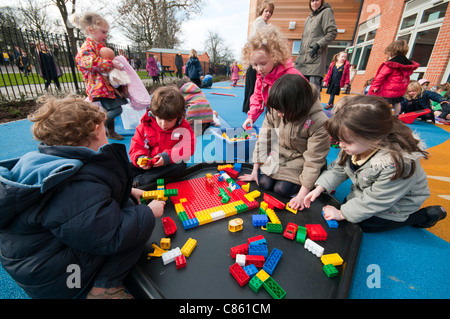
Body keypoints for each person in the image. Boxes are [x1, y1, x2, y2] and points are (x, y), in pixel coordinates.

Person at [0, 95, 165, 299]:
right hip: (63, 280)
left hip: (35, 261)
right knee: (136, 225)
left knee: (126, 208)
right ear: (96, 131)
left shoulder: (49, 161)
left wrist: (129, 191)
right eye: (105, 129)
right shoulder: (72, 185)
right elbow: (111, 235)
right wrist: (148, 212)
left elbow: (86, 198)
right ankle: (103, 290)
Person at [304, 95, 447, 233]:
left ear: (374, 138)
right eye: (339, 140)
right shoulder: (356, 144)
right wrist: (320, 187)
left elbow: (378, 199)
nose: (341, 145)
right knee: (350, 207)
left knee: (364, 224)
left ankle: (424, 216)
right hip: (372, 190)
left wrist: (342, 213)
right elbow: (338, 168)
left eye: (346, 141)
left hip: (399, 202)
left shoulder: (397, 164)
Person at [239, 74, 329, 210]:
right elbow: (264, 139)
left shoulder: (319, 122)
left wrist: (301, 195)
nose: (279, 115)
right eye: (277, 110)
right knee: (264, 182)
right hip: (280, 154)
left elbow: (314, 160)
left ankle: (315, 180)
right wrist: (254, 170)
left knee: (282, 189)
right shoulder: (277, 109)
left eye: (283, 112)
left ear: (297, 107)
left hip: (301, 159)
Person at [72, 12, 127, 140]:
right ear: (91, 30)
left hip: (105, 86)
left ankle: (109, 130)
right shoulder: (87, 47)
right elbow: (88, 62)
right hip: (98, 87)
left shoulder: (99, 46)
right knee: (115, 109)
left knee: (114, 107)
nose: (106, 36)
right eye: (103, 32)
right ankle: (97, 124)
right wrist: (110, 63)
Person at [129, 86, 196, 188]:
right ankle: (139, 177)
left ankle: (143, 180)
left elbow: (188, 147)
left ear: (178, 116)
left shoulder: (184, 127)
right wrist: (140, 159)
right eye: (160, 118)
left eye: (169, 120)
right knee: (127, 165)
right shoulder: (145, 125)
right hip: (148, 164)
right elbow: (136, 146)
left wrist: (167, 157)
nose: (163, 124)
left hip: (167, 164)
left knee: (180, 166)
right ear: (154, 113)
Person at [241, 24, 305, 130]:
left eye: (263, 63)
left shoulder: (291, 75)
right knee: (268, 138)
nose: (259, 68)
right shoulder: (262, 77)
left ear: (275, 57)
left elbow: (307, 96)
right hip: (274, 114)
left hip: (293, 118)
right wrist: (251, 117)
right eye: (255, 65)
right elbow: (258, 98)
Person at [295, 0, 338, 99]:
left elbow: (332, 32)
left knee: (313, 91)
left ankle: (315, 114)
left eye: (317, 0)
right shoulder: (309, 18)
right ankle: (302, 113)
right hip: (303, 62)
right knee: (300, 90)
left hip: (315, 60)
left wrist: (318, 45)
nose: (314, 3)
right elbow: (304, 40)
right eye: (312, 1)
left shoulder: (326, 12)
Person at [368, 39, 419, 116]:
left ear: (392, 51)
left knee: (383, 103)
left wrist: (375, 87)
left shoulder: (390, 64)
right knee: (397, 103)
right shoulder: (407, 65)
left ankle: (381, 116)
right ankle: (396, 115)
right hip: (399, 91)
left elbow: (380, 76)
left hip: (388, 90)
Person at [242, 1, 274, 113]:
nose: (268, 13)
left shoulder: (262, 23)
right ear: (262, 11)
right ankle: (250, 107)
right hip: (256, 57)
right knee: (253, 85)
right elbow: (262, 41)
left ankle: (248, 106)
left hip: (254, 57)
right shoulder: (260, 23)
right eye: (266, 11)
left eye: (270, 12)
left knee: (251, 84)